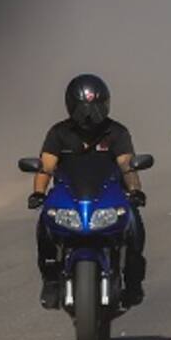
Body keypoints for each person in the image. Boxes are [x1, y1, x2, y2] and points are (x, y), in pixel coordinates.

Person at [28, 74, 147, 310]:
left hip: (109, 196)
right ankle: (51, 279)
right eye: (83, 108)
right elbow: (47, 166)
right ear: (71, 105)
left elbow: (126, 164)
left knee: (135, 227)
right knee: (45, 225)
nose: (89, 114)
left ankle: (133, 283)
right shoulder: (58, 133)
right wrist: (38, 193)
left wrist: (135, 191)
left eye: (95, 107)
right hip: (69, 197)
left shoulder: (116, 132)